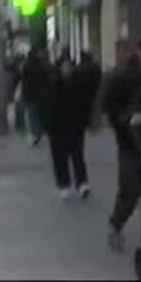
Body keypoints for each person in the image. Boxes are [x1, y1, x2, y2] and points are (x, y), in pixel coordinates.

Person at [101, 36, 141, 252]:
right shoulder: (124, 77)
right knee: (130, 189)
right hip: (130, 143)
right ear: (140, 51)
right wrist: (125, 121)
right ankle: (116, 224)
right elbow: (110, 106)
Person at [46, 51, 96, 200]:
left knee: (78, 155)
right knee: (60, 157)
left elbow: (85, 103)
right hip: (57, 127)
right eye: (64, 66)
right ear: (60, 67)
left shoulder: (79, 82)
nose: (67, 69)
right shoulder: (53, 83)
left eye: (69, 66)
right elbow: (48, 105)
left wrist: (85, 121)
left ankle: (82, 183)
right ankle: (64, 184)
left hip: (75, 126)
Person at [19, 49, 51, 146]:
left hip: (30, 95)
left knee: (32, 115)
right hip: (40, 94)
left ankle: (35, 133)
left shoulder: (26, 66)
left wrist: (24, 94)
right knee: (39, 114)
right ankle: (40, 131)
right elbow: (46, 79)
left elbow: (24, 82)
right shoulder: (41, 65)